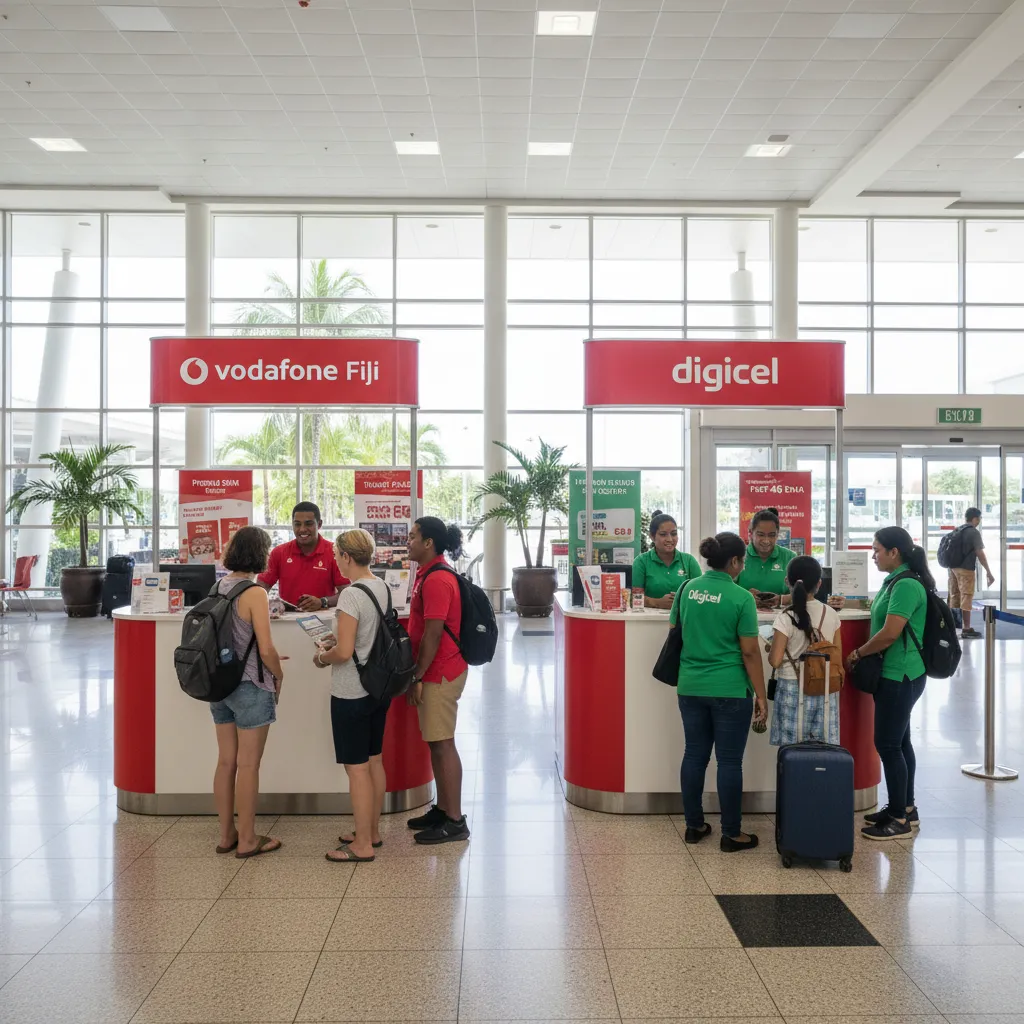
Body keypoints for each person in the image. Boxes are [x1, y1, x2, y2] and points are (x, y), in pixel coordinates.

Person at [670, 531, 768, 851]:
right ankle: (731, 833)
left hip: (691, 686)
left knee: (694, 755)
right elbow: (750, 653)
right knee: (729, 762)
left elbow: (675, 632)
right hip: (729, 689)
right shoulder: (742, 598)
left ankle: (694, 826)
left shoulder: (687, 589)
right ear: (736, 561)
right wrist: (761, 695)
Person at [845, 526, 929, 841]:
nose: (873, 555)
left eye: (877, 549)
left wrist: (858, 653)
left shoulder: (906, 585)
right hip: (898, 674)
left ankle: (899, 819)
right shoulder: (894, 581)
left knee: (889, 744)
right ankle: (905, 807)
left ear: (894, 552)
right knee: (901, 742)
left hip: (900, 675)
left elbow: (891, 632)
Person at [313, 529, 391, 864]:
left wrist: (322, 656)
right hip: (377, 689)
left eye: (336, 556)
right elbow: (365, 636)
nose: (335, 562)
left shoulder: (350, 595)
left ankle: (362, 844)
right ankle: (370, 830)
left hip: (350, 692)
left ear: (346, 556)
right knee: (374, 760)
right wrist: (339, 640)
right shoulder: (382, 586)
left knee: (356, 769)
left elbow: (344, 652)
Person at [209, 526, 285, 859]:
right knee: (249, 766)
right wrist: (279, 675)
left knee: (226, 762)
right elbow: (266, 649)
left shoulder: (217, 587)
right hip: (251, 686)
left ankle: (226, 835)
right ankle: (249, 839)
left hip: (219, 686)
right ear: (260, 554)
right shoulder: (254, 593)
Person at [405, 517, 471, 845]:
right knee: (436, 741)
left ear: (429, 542)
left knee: (443, 743)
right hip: (437, 669)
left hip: (440, 671)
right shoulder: (428, 574)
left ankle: (456, 821)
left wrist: (417, 674)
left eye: (413, 536)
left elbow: (432, 634)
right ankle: (443, 809)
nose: (408, 541)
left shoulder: (436, 581)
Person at [767, 556, 842, 747]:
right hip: (823, 687)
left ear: (787, 582)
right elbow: (837, 657)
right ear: (819, 584)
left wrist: (772, 646)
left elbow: (775, 661)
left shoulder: (786, 617)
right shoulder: (831, 614)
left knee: (792, 751)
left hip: (792, 686)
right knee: (821, 750)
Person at [258, 501, 348, 612]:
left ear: (319, 524)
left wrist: (322, 602)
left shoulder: (334, 552)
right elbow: (261, 588)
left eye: (308, 524)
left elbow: (346, 593)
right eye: (297, 524)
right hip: (286, 622)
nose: (302, 529)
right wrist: (270, 603)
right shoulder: (279, 552)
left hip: (324, 622)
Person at [632, 511, 702, 610]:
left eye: (674, 534)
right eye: (663, 534)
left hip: (683, 621)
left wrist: (681, 600)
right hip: (649, 622)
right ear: (652, 536)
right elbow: (633, 597)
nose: (670, 539)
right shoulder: (641, 562)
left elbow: (701, 594)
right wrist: (657, 602)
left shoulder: (689, 561)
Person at [948, 506, 995, 639]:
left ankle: (953, 627)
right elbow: (980, 553)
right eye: (979, 518)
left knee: (955, 596)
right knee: (966, 596)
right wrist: (988, 571)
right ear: (975, 518)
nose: (979, 521)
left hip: (952, 568)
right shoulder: (973, 532)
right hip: (966, 569)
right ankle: (966, 628)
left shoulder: (957, 530)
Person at [736, 508, 797, 609]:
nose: (766, 540)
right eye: (761, 535)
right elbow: (724, 591)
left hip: (782, 620)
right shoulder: (738, 557)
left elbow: (805, 594)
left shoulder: (790, 557)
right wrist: (746, 597)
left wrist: (781, 599)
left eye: (771, 535)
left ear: (778, 534)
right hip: (744, 618)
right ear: (750, 533)